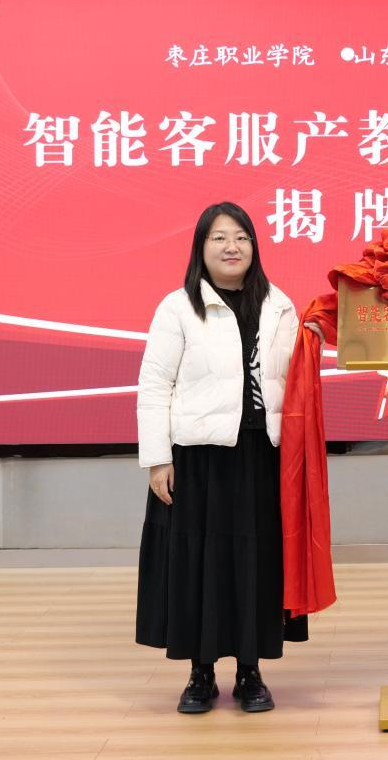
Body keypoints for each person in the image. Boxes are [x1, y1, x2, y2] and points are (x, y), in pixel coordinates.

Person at [134, 201, 304, 715]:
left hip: (261, 454)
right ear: (201, 248)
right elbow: (154, 384)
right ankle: (200, 673)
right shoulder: (178, 307)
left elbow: (296, 380)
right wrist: (157, 458)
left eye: (242, 237)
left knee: (255, 564)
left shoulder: (279, 305)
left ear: (255, 246)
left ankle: (250, 672)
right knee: (199, 566)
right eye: (219, 238)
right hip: (198, 458)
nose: (232, 247)